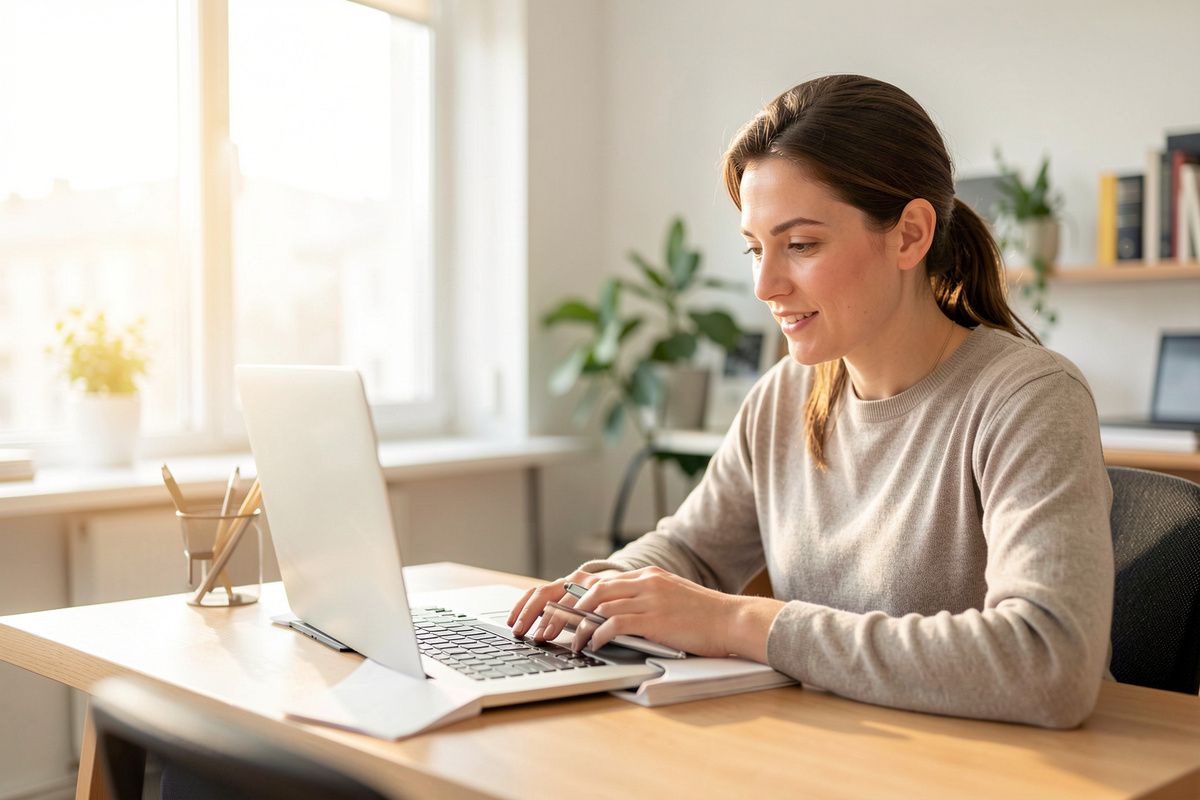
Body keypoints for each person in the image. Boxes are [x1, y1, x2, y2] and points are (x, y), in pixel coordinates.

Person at [508, 74, 1114, 729]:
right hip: (841, 754)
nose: (766, 285)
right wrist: (594, 590)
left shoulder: (1028, 400)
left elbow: (1048, 663)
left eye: (800, 245)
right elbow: (691, 552)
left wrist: (743, 621)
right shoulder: (781, 399)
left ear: (910, 235)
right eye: (754, 248)